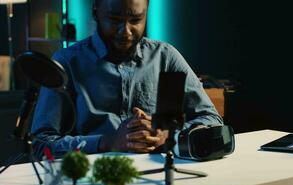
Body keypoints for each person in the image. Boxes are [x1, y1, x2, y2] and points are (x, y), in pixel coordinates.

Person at [31, 0, 223, 157]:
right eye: (115, 20)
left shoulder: (165, 57)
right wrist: (108, 142)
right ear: (95, 11)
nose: (126, 31)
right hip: (90, 181)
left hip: (159, 179)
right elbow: (41, 145)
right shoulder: (66, 63)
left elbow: (212, 120)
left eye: (136, 19)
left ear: (146, 12)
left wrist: (165, 135)